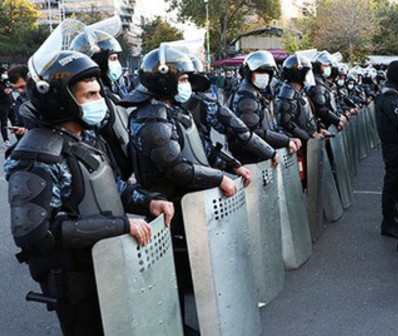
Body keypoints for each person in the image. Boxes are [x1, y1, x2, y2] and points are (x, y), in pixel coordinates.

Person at [5, 48, 174, 335]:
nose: (100, 102)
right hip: (76, 280)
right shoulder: (36, 155)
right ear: (61, 100)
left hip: (109, 265)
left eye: (99, 93)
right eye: (90, 96)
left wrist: (150, 201)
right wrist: (119, 225)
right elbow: (36, 232)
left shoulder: (85, 137)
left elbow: (112, 186)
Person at [121, 44, 239, 335]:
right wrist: (218, 178)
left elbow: (201, 149)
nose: (186, 85)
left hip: (183, 205)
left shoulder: (170, 111)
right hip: (170, 205)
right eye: (183, 79)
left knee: (185, 272)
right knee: (171, 276)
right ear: (166, 80)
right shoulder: (152, 117)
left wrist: (232, 166)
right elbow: (177, 168)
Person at [70, 27, 134, 180]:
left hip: (121, 175)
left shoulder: (111, 90)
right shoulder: (84, 99)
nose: (116, 64)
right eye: (112, 59)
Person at [230, 50, 301, 164]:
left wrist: (286, 138)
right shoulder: (247, 98)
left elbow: (270, 125)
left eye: (267, 72)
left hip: (259, 152)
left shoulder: (257, 93)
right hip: (252, 156)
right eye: (259, 71)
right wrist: (284, 141)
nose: (263, 76)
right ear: (249, 73)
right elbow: (253, 133)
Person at [375, 60, 398, 245]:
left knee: (397, 185)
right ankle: (388, 222)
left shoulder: (393, 92)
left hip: (395, 146)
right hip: (393, 146)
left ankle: (393, 218)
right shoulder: (389, 96)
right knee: (393, 183)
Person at [307, 51, 346, 130]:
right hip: (322, 125)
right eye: (325, 65)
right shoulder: (317, 83)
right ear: (318, 66)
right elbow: (321, 108)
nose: (328, 68)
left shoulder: (321, 81)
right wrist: (336, 120)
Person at [6, 64, 30, 137]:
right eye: (16, 88)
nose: (20, 91)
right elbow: (19, 123)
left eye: (22, 87)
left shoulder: (46, 100)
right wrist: (20, 129)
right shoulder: (19, 101)